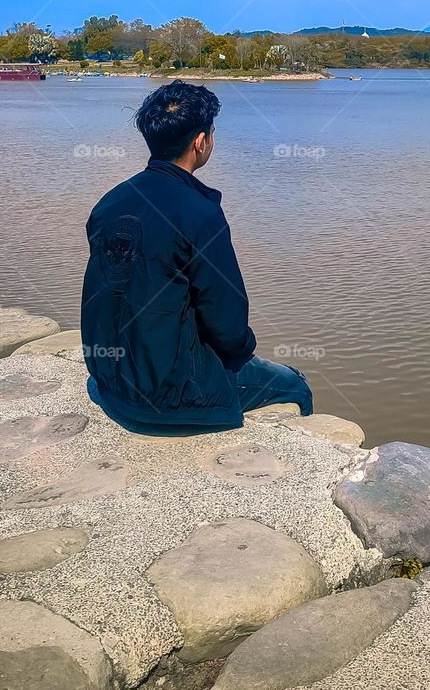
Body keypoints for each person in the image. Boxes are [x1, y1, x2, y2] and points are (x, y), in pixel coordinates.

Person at [81, 79, 314, 433]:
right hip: (172, 397)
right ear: (201, 142)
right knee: (295, 384)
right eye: (212, 134)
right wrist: (240, 355)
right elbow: (226, 319)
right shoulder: (199, 213)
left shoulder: (110, 202)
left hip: (111, 381)